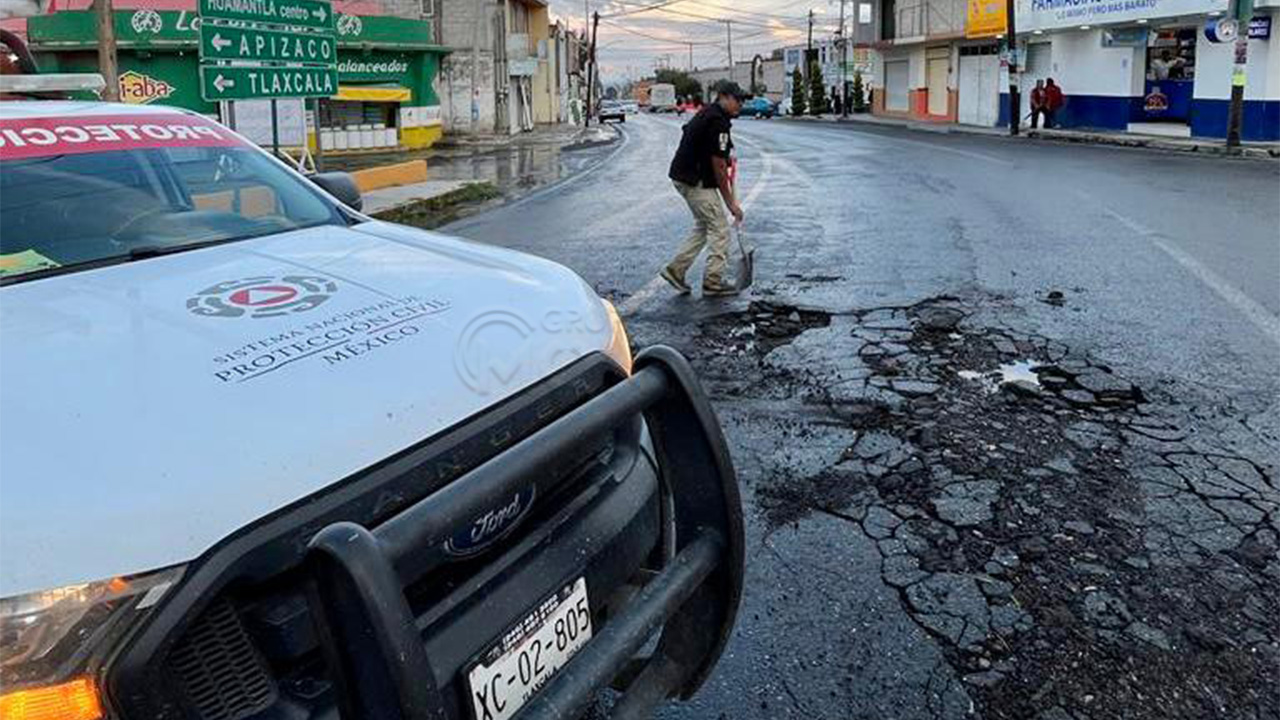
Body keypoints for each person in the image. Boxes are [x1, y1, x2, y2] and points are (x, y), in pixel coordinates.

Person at [661, 80, 748, 297]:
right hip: (694, 180)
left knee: (704, 225)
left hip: (684, 175)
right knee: (719, 228)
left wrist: (724, 159)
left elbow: (710, 151)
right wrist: (731, 204)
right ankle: (713, 281)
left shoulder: (710, 114)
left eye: (743, 101)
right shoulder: (717, 121)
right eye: (738, 100)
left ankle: (675, 270)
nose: (741, 105)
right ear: (724, 97)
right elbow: (718, 166)